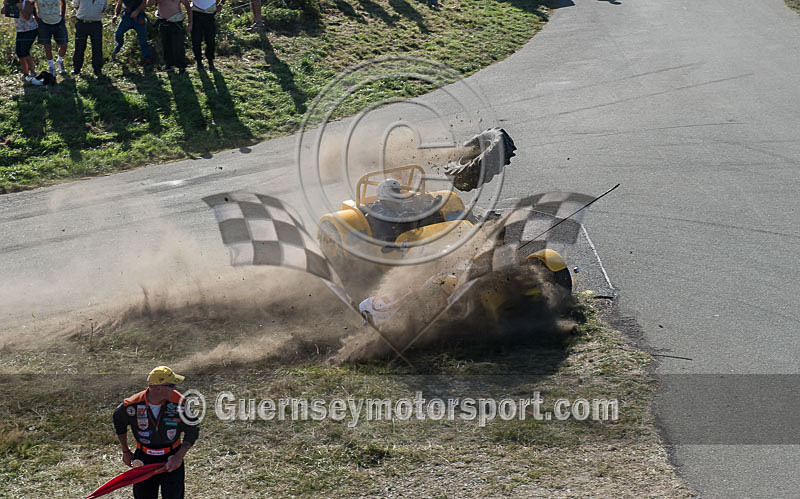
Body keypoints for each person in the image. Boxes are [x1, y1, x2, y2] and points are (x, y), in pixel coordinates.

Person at [113, 366, 199, 499]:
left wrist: (179, 456)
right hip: (144, 458)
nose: (175, 388)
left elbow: (192, 430)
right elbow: (119, 421)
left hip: (172, 457)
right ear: (159, 388)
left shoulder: (180, 403)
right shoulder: (133, 404)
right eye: (172, 385)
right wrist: (125, 451)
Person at [2, 0, 43, 85]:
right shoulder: (13, 2)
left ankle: (33, 72)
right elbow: (3, 11)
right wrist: (7, 5)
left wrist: (20, 8)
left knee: (25, 50)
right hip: (20, 30)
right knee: (19, 52)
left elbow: (27, 17)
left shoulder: (27, 3)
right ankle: (25, 73)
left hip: (31, 30)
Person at [151, 0, 191, 73]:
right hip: (163, 22)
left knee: (178, 45)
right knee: (166, 45)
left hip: (176, 23)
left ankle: (181, 66)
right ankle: (168, 65)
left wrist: (190, 22)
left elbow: (187, 6)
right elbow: (149, 3)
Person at [111, 0, 154, 68]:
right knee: (118, 34)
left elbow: (144, 2)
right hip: (127, 17)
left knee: (143, 40)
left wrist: (136, 12)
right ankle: (119, 45)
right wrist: (115, 15)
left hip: (139, 16)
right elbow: (119, 4)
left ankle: (148, 60)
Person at [31, 0, 68, 75]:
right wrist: (36, 17)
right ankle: (51, 66)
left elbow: (63, 2)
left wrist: (62, 16)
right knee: (47, 46)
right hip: (44, 23)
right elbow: (32, 3)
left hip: (58, 21)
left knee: (64, 44)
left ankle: (60, 61)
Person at [72, 0, 107, 76]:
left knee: (97, 47)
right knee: (79, 47)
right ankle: (76, 68)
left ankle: (97, 69)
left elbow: (103, 9)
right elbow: (76, 6)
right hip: (82, 23)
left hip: (96, 24)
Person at [190, 0, 221, 72]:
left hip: (210, 13)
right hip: (196, 13)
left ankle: (210, 61)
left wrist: (221, 3)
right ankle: (199, 62)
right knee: (196, 40)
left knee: (210, 40)